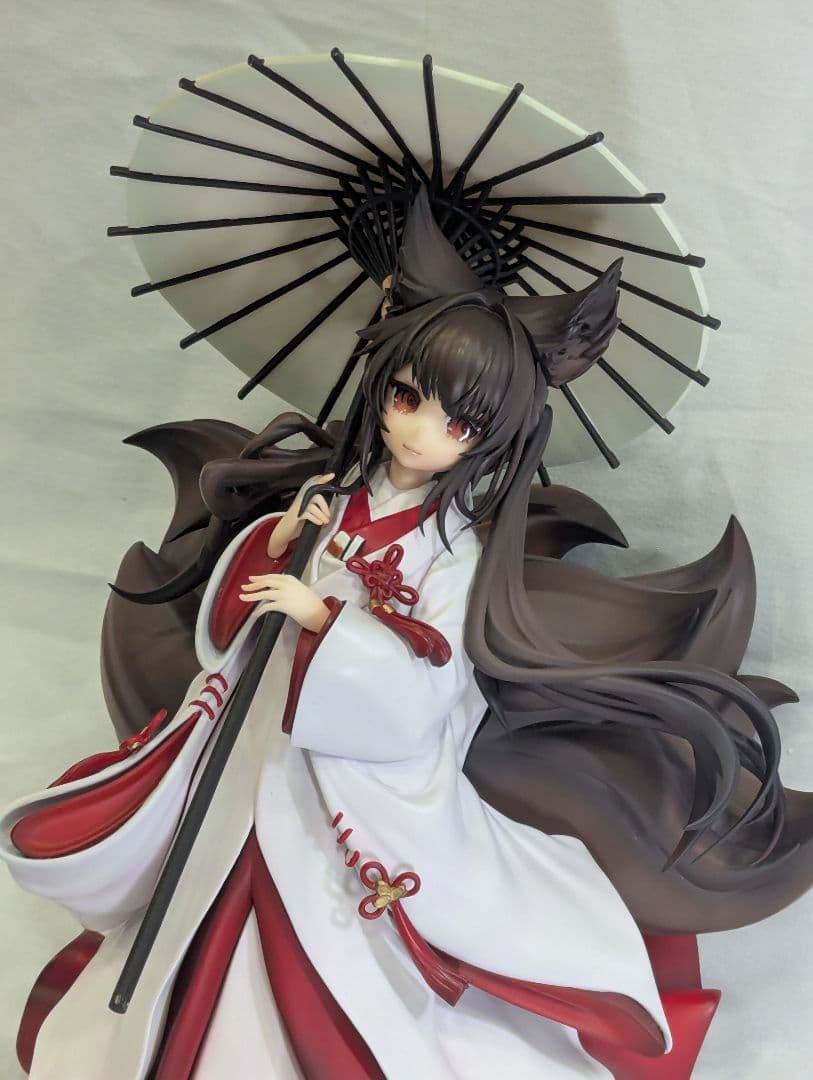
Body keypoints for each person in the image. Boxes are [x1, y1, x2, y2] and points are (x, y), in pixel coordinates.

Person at [1, 191, 809, 1079]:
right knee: (214, 873)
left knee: (324, 905)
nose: (419, 433)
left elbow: (429, 679)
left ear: (493, 439)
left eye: (458, 424)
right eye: (405, 396)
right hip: (262, 730)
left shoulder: (454, 548)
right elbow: (238, 610)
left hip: (355, 761)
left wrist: (322, 619)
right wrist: (278, 537)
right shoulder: (338, 494)